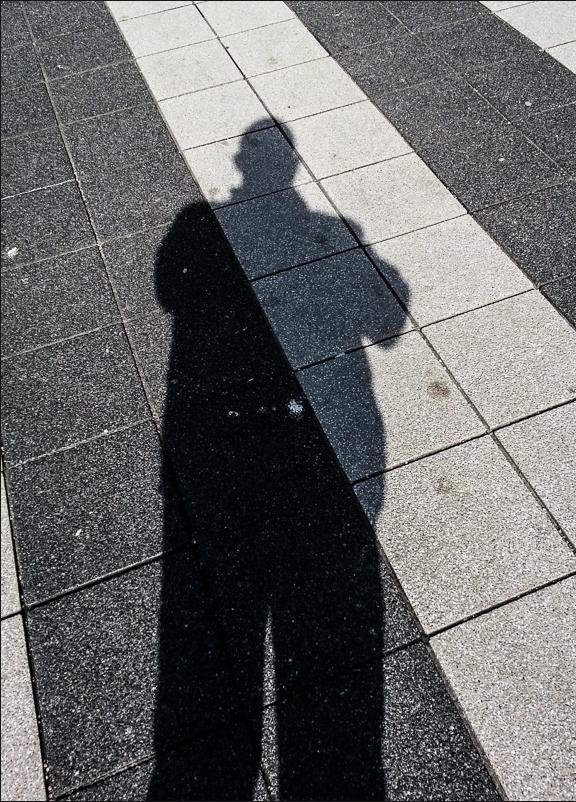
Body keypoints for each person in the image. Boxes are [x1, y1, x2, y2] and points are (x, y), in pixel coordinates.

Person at [149, 119, 409, 800]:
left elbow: (169, 291)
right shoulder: (328, 228)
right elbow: (389, 322)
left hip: (212, 439)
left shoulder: (199, 222)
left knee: (206, 642)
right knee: (329, 643)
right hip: (296, 443)